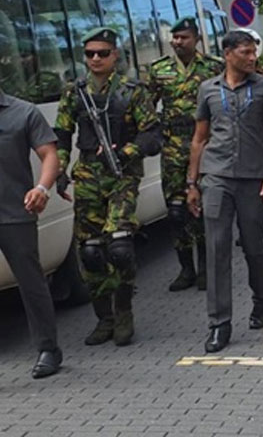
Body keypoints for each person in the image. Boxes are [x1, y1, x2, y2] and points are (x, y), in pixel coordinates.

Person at [54, 27, 161, 347]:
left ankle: (124, 312)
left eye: (102, 53)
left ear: (115, 55)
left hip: (122, 176)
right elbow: (62, 133)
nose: (96, 59)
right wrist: (60, 168)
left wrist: (125, 152)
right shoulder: (75, 92)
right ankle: (104, 319)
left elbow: (152, 135)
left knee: (119, 246)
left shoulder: (132, 91)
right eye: (90, 54)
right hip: (88, 175)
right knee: (90, 251)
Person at [187, 30, 263, 353]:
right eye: (245, 52)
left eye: (254, 52)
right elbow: (199, 138)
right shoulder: (208, 89)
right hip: (216, 176)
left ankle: (261, 298)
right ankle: (219, 323)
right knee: (217, 248)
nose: (252, 57)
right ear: (228, 54)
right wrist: (192, 183)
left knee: (253, 244)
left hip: (253, 177)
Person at [149, 17, 224, 291]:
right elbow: (146, 108)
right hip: (172, 147)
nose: (178, 42)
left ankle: (205, 268)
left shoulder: (213, 67)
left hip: (204, 145)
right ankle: (185, 268)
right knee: (176, 211)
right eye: (175, 37)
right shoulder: (159, 70)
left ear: (197, 39)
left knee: (200, 210)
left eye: (184, 37)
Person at [0, 87, 63, 378]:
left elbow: (49, 154)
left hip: (15, 213)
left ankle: (48, 348)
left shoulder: (24, 112)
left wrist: (41, 188)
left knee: (31, 282)